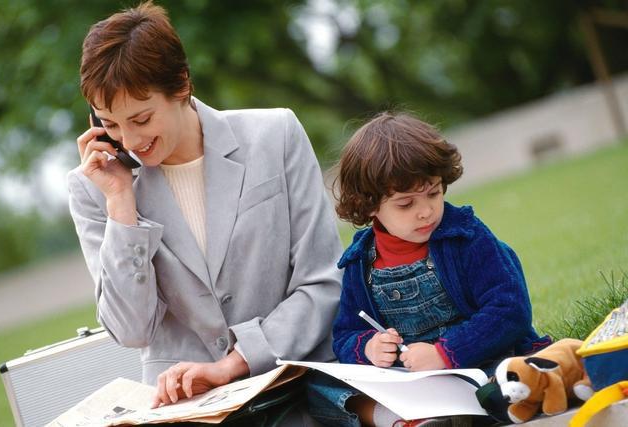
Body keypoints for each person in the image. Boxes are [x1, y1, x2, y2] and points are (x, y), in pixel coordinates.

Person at [68, 0, 342, 416]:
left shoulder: (276, 135)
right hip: (186, 409)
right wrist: (121, 205)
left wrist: (234, 363)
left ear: (181, 85)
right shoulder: (94, 189)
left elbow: (323, 283)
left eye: (141, 119)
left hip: (299, 384)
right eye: (109, 123)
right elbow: (131, 330)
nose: (129, 140)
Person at [307, 112, 551, 427]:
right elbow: (344, 334)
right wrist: (367, 346)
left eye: (434, 193)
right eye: (406, 204)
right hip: (413, 384)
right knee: (317, 388)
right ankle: (408, 420)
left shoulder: (466, 236)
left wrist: (446, 353)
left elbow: (510, 309)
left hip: (483, 364)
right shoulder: (359, 263)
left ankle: (463, 413)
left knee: (513, 378)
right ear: (369, 206)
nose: (426, 212)